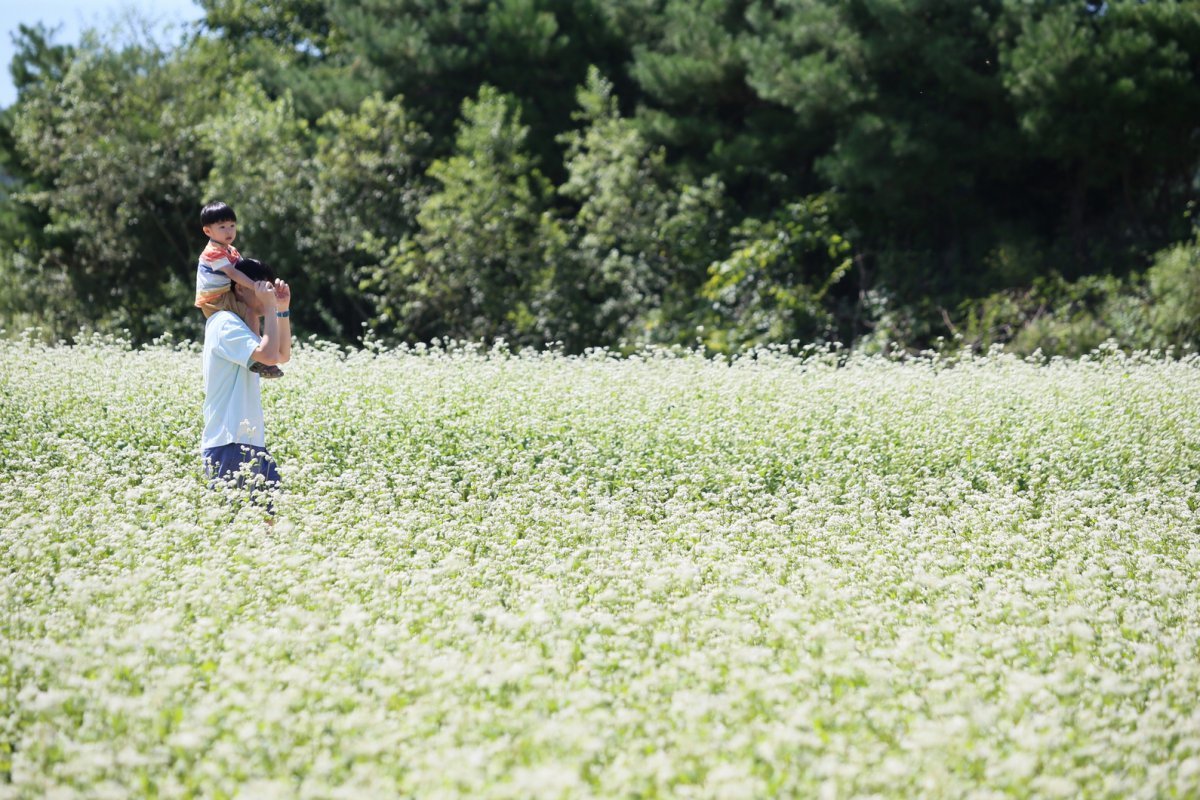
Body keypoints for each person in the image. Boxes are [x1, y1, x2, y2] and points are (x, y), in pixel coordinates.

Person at [201, 257, 292, 517]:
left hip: (249, 441)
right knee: (236, 530)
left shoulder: (239, 325)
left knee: (267, 525)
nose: (268, 294)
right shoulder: (223, 324)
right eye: (261, 287)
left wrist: (282, 309)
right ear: (240, 288)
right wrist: (271, 309)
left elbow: (281, 354)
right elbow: (269, 355)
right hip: (228, 443)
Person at [194, 201, 283, 378]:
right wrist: (255, 287)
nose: (229, 231)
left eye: (232, 226)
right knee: (249, 311)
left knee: (250, 311)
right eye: (222, 227)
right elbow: (234, 273)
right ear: (207, 231)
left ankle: (259, 351)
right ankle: (259, 355)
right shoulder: (213, 251)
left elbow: (244, 268)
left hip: (224, 294)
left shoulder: (230, 250)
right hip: (215, 299)